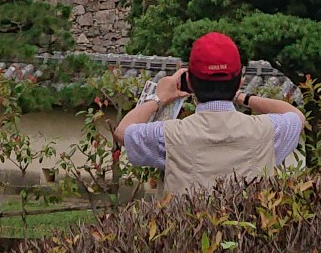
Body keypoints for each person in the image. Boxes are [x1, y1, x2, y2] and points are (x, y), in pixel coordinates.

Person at [116, 31, 303, 198]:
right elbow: (296, 115)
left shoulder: (168, 135)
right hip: (251, 235)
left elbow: (122, 132)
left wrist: (159, 98)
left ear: (189, 81)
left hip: (187, 235)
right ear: (240, 82)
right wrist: (241, 97)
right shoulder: (268, 130)